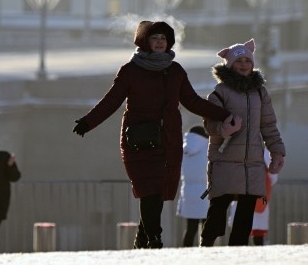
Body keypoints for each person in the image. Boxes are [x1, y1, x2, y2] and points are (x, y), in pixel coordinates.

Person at [72, 20, 241, 249]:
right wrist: (87, 122)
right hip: (138, 141)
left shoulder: (175, 71)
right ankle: (155, 238)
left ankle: (143, 239)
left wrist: (223, 114)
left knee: (158, 191)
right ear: (145, 41)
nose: (160, 42)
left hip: (167, 140)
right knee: (148, 190)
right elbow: (112, 100)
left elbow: (192, 101)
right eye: (155, 38)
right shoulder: (130, 70)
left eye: (163, 38)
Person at [200, 38, 285, 247]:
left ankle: (238, 252)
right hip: (224, 157)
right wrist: (225, 129)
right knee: (218, 207)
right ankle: (206, 246)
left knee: (246, 211)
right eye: (240, 61)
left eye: (248, 60)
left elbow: (269, 125)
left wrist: (277, 152)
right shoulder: (219, 92)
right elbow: (210, 125)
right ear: (230, 64)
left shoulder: (260, 92)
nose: (244, 64)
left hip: (253, 161)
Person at [228, 150, 278, 246]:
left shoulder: (238, 147)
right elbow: (273, 175)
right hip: (261, 190)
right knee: (258, 231)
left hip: (243, 190)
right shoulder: (266, 151)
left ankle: (238, 254)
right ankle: (258, 254)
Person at [176, 125, 209, 247]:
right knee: (207, 228)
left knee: (191, 228)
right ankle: (207, 255)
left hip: (188, 191)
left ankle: (186, 254)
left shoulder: (183, 149)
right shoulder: (207, 147)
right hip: (204, 192)